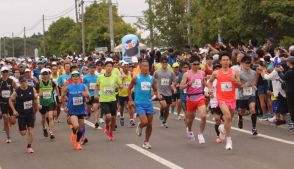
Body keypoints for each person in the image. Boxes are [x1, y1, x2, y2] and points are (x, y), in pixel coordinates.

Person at [209, 51, 241, 150]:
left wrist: (235, 81)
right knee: (227, 116)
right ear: (221, 61)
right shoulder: (216, 73)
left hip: (231, 99)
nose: (226, 62)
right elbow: (210, 81)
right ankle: (229, 140)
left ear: (230, 61)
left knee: (229, 118)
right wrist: (210, 89)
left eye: (227, 60)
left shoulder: (234, 72)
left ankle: (222, 128)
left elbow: (239, 85)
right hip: (221, 98)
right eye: (224, 60)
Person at [128, 59, 158, 149]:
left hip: (148, 103)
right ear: (140, 67)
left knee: (150, 124)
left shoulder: (152, 78)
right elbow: (129, 89)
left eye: (147, 66)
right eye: (144, 66)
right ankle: (140, 126)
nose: (146, 68)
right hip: (139, 103)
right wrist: (130, 100)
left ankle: (146, 141)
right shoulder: (136, 78)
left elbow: (155, 89)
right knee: (145, 122)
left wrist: (158, 95)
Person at [180, 56, 207, 144]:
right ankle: (190, 130)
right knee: (190, 119)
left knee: (203, 115)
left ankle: (200, 134)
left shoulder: (202, 73)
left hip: (200, 97)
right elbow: (181, 87)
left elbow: (204, 83)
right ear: (191, 64)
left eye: (198, 64)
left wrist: (209, 88)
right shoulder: (187, 74)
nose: (196, 66)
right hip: (191, 98)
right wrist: (188, 84)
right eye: (194, 64)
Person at [9, 76, 38, 153]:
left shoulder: (32, 89)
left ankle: (29, 146)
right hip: (21, 114)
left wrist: (37, 105)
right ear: (20, 83)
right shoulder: (17, 91)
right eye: (22, 82)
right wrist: (14, 110)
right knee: (23, 133)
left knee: (31, 130)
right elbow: (10, 101)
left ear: (26, 81)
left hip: (30, 113)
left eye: (24, 81)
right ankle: (21, 128)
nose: (23, 83)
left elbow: (35, 98)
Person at [61, 71, 90, 150]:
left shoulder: (83, 86)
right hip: (72, 110)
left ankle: (77, 143)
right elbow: (62, 97)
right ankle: (74, 133)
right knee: (76, 126)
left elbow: (88, 97)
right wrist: (64, 106)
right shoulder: (68, 87)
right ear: (72, 77)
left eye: (77, 76)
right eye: (74, 76)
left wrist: (86, 95)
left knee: (80, 128)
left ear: (79, 77)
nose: (76, 77)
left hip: (81, 110)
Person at [95, 58, 122, 141]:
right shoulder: (100, 77)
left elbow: (121, 86)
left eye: (110, 66)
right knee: (108, 116)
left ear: (112, 68)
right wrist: (96, 94)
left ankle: (110, 133)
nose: (109, 68)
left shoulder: (115, 77)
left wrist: (119, 87)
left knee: (113, 119)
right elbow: (96, 86)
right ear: (105, 67)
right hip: (103, 100)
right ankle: (106, 126)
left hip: (113, 99)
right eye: (107, 66)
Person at [154, 56, 177, 128]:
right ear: (161, 63)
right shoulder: (157, 72)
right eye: (163, 62)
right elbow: (153, 80)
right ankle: (161, 112)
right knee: (164, 105)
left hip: (168, 93)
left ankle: (164, 122)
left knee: (167, 109)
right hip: (160, 92)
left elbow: (175, 80)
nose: (164, 64)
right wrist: (155, 91)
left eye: (165, 62)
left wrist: (173, 86)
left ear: (167, 63)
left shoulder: (171, 72)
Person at [237, 56, 258, 135]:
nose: (248, 64)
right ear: (242, 63)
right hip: (242, 95)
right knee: (242, 111)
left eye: (249, 62)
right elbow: (238, 85)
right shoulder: (238, 72)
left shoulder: (253, 72)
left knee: (252, 109)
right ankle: (240, 117)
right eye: (246, 62)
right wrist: (243, 85)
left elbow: (255, 81)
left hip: (251, 93)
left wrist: (253, 86)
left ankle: (254, 128)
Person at [37, 68, 59, 139]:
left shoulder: (51, 82)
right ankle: (44, 128)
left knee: (50, 116)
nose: (45, 75)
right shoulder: (39, 83)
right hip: (42, 103)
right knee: (43, 118)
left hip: (50, 101)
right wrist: (39, 94)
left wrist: (58, 95)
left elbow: (56, 87)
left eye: (46, 74)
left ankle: (51, 132)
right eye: (43, 74)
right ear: (41, 75)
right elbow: (35, 93)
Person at [204, 63, 223, 143]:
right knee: (218, 120)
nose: (217, 71)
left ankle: (223, 131)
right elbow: (205, 92)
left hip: (223, 102)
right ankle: (218, 136)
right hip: (214, 102)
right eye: (216, 69)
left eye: (219, 69)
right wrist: (209, 94)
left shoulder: (224, 79)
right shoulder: (209, 81)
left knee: (225, 119)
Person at [0, 66, 17, 143]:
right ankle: (8, 137)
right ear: (1, 73)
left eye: (6, 71)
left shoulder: (11, 81)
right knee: (5, 118)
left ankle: (10, 122)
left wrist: (14, 95)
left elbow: (17, 89)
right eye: (4, 72)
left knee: (13, 121)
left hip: (11, 103)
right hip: (2, 102)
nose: (5, 73)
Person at [277, 56, 294, 130]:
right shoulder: (289, 71)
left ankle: (293, 123)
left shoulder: (289, 72)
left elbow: (283, 77)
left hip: (290, 92)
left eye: (287, 61)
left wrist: (279, 71)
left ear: (289, 62)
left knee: (291, 108)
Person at [83, 64, 100, 128]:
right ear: (89, 69)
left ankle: (96, 122)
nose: (92, 69)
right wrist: (85, 94)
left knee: (95, 107)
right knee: (88, 108)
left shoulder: (97, 77)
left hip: (95, 94)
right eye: (91, 68)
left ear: (95, 69)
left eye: (93, 68)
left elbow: (99, 85)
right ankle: (88, 113)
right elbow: (83, 86)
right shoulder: (85, 77)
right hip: (88, 95)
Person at [118, 61, 134, 126]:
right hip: (122, 93)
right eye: (125, 67)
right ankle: (122, 116)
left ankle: (131, 119)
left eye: (127, 67)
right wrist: (122, 79)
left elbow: (133, 82)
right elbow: (118, 83)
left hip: (129, 93)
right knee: (121, 107)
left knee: (131, 106)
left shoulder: (131, 74)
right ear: (122, 67)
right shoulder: (120, 74)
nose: (126, 68)